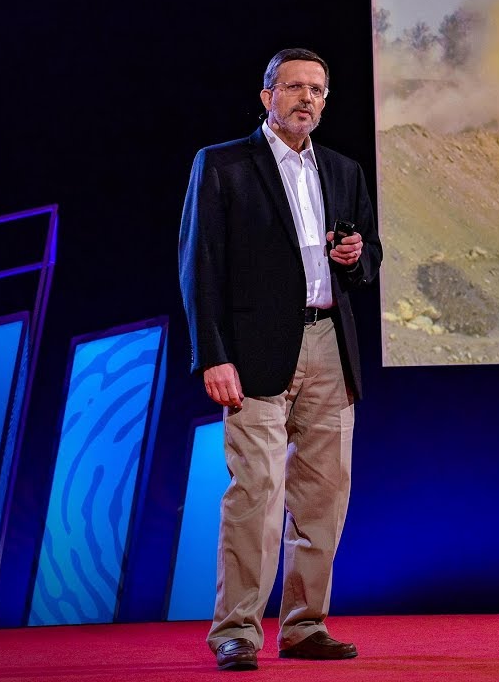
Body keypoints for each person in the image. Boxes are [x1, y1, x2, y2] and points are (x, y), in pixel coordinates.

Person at [178, 47, 381, 672]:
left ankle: (305, 625)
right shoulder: (223, 164)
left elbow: (370, 257)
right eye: (293, 87)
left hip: (329, 346)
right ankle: (237, 631)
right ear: (267, 96)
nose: (306, 98)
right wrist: (213, 355)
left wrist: (355, 257)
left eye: (316, 90)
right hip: (254, 353)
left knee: (323, 497)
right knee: (257, 494)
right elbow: (199, 265)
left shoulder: (343, 169)